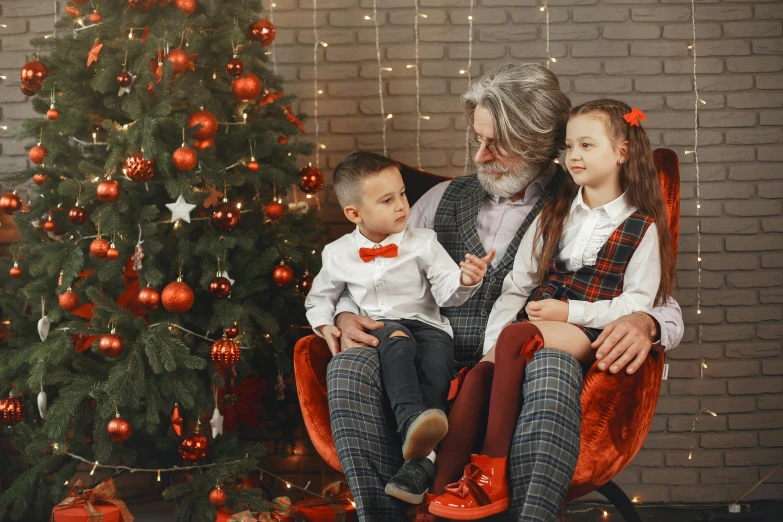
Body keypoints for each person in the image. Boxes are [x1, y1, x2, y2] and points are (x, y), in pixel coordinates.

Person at [327, 63, 684, 522]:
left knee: (552, 362)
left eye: (496, 144)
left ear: (537, 141)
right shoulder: (439, 201)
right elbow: (368, 270)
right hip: (426, 360)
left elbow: (655, 297)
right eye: (477, 139)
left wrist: (647, 322)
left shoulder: (578, 204)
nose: (479, 156)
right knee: (351, 364)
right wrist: (343, 313)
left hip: (520, 369)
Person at [427, 100, 675, 520]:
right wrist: (494, 350)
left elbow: (637, 302)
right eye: (569, 146)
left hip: (589, 330)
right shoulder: (555, 213)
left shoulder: (642, 225)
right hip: (533, 329)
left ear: (622, 151)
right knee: (476, 380)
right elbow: (518, 284)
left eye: (587, 145)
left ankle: (491, 475)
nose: (574, 155)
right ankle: (435, 501)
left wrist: (569, 313)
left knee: (521, 336)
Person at [305, 151, 494, 506]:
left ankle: (420, 460)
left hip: (428, 325)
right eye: (387, 200)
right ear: (354, 214)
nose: (401, 206)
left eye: (403, 194)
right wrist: (324, 326)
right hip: (382, 327)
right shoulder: (337, 254)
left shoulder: (422, 241)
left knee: (437, 365)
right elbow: (320, 298)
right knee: (396, 341)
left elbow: (444, 290)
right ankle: (412, 424)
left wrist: (466, 280)